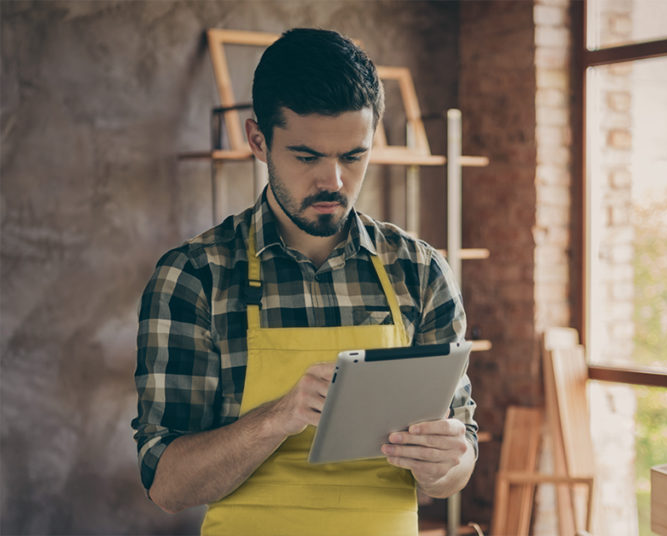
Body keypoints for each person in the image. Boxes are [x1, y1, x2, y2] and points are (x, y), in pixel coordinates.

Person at [131, 28, 477, 534]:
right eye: (307, 156)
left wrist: (444, 463)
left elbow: (456, 464)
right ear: (258, 140)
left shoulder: (420, 272)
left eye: (353, 156)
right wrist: (279, 417)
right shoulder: (194, 277)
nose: (333, 182)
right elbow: (167, 486)